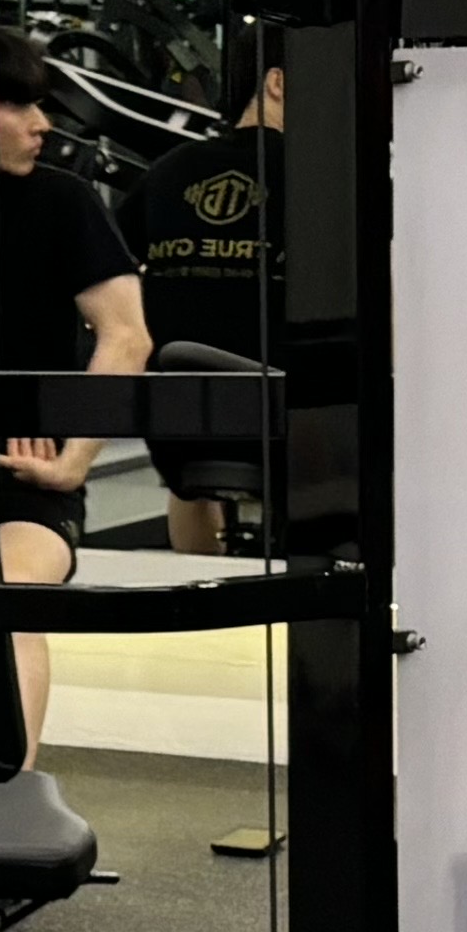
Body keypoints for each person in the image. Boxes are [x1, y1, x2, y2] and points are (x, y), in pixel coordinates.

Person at [0, 25, 149, 752]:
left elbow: (127, 336)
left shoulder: (63, 202)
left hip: (22, 475)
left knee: (9, 598)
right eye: (19, 105)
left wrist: (75, 461)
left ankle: (8, 793)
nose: (42, 124)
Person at [130, 51, 283, 558]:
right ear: (277, 83)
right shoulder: (328, 175)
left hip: (179, 428)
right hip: (293, 424)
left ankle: (196, 576)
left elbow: (111, 277)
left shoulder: (166, 172)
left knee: (188, 480)